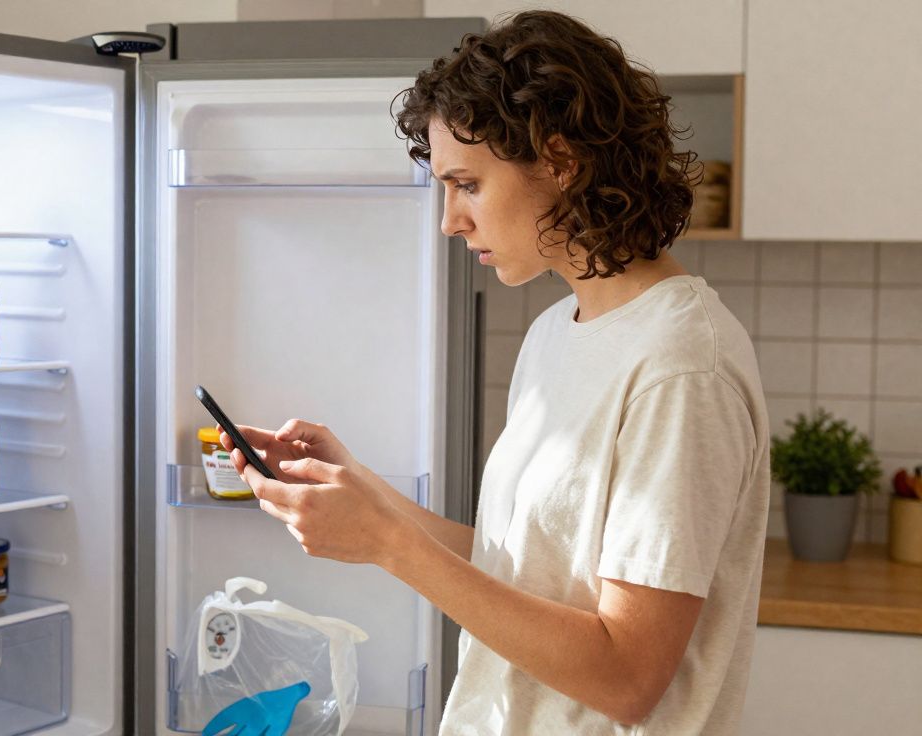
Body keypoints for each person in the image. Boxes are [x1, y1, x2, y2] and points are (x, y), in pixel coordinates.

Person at [220, 10, 770, 735]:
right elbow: (522, 572)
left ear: (562, 162)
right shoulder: (557, 333)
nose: (449, 220)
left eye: (467, 184)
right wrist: (368, 499)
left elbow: (629, 676)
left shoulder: (680, 367)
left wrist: (389, 545)